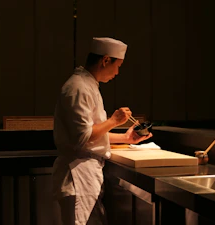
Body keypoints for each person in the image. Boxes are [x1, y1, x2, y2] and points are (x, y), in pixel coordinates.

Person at [52, 37, 152, 225]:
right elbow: (82, 137)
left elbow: (93, 133)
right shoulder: (78, 87)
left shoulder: (88, 85)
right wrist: (114, 120)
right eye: (118, 66)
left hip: (86, 174)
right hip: (78, 174)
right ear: (105, 60)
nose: (117, 72)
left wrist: (125, 137)